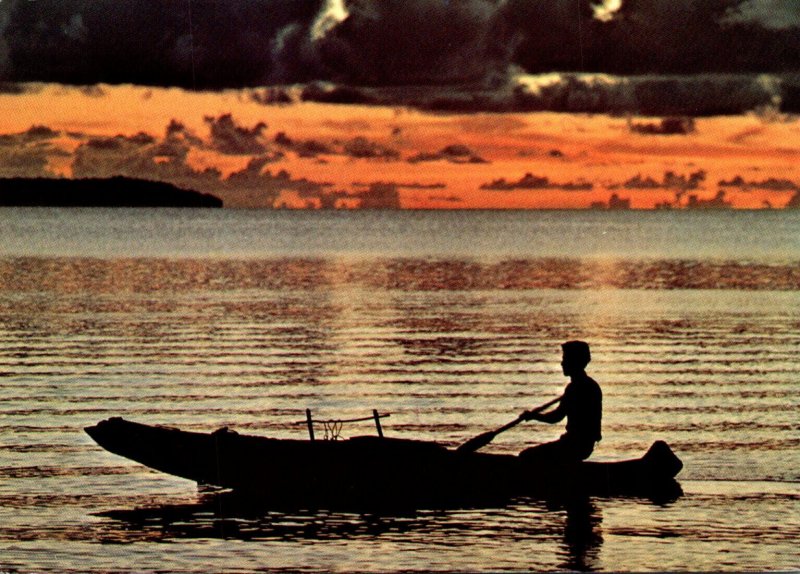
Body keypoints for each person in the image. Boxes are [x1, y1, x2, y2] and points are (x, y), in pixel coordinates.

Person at [519, 341, 602, 463]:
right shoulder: (588, 385)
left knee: (526, 456)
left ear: (574, 362)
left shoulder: (576, 388)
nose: (562, 363)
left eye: (565, 359)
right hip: (583, 445)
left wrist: (533, 416)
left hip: (575, 445)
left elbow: (556, 417)